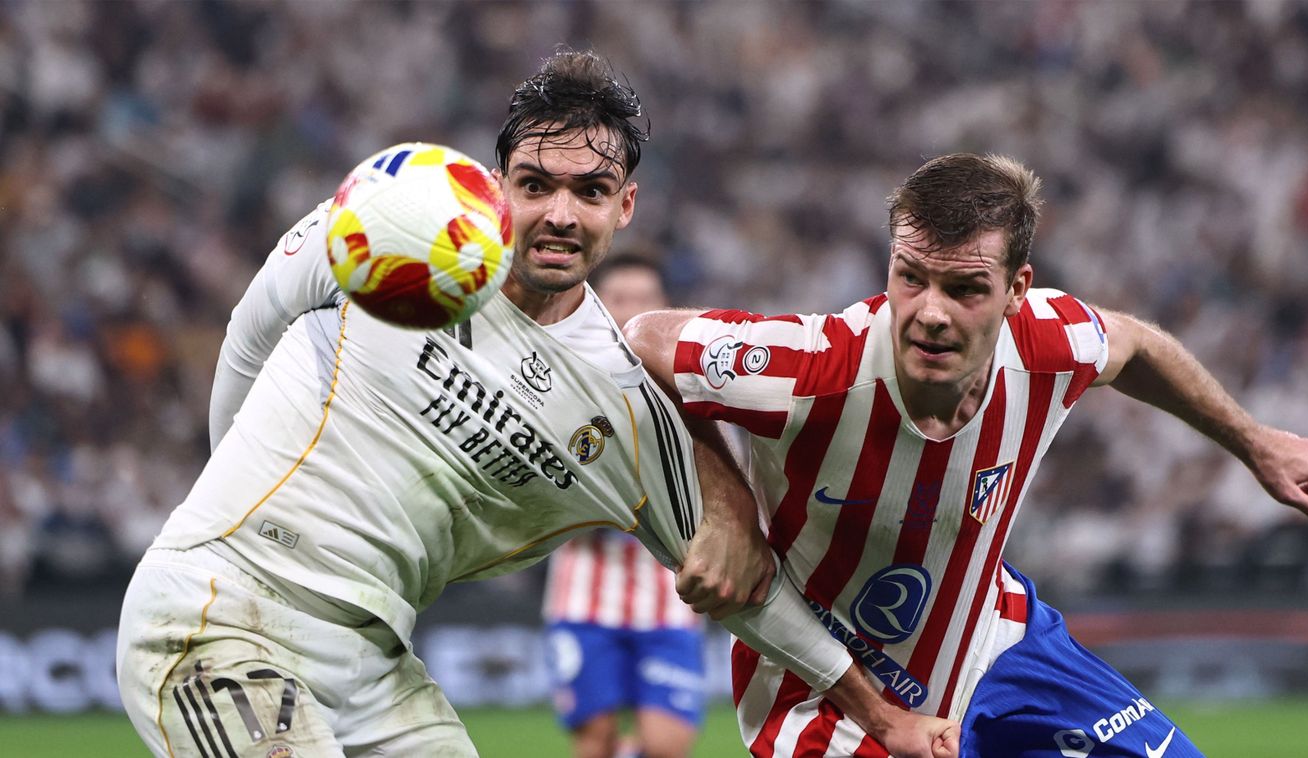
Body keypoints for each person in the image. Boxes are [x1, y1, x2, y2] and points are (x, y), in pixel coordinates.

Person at [116, 52, 958, 758]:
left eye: (590, 191)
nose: (559, 214)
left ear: (624, 206)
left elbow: (747, 590)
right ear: (496, 185)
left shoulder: (619, 402)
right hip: (219, 612)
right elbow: (254, 323)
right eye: (535, 184)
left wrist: (879, 713)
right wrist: (215, 516)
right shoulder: (400, 216)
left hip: (373, 662)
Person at [625, 152, 1308, 757]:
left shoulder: (1047, 344)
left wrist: (1253, 441)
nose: (930, 312)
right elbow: (645, 339)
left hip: (999, 647)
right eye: (911, 278)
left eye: (964, 288)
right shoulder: (812, 367)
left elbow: (1135, 344)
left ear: (1015, 291)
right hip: (822, 701)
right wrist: (726, 510)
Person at [543, 255, 707, 758]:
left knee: (666, 745)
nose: (632, 311)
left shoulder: (693, 396)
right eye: (620, 299)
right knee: (594, 742)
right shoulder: (557, 386)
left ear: (664, 309)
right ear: (597, 305)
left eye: (644, 300)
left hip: (668, 599)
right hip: (585, 597)